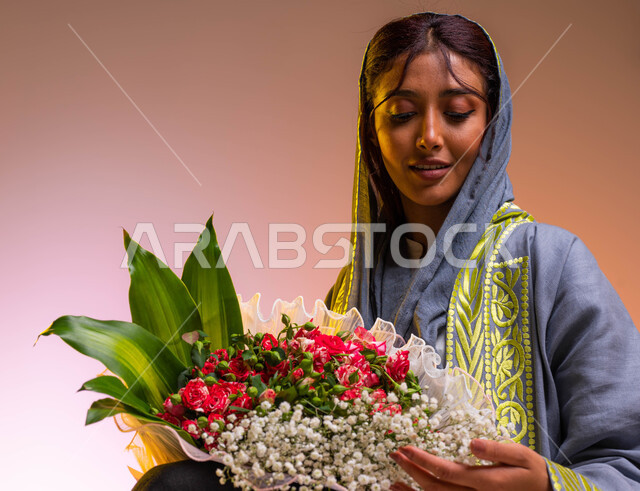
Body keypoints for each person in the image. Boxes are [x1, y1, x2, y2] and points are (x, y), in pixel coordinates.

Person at [324, 11, 640, 491]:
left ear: (494, 123)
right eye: (403, 114)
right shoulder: (350, 290)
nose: (430, 136)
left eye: (457, 113)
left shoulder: (550, 263)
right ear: (372, 131)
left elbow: (628, 462)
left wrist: (549, 486)